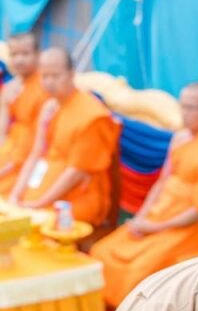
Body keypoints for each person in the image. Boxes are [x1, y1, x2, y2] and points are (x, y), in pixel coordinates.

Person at [91, 82, 198, 307]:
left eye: (192, 108)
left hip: (191, 227)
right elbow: (162, 182)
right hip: (160, 214)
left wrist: (154, 228)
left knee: (139, 269)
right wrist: (140, 219)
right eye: (182, 106)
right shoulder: (180, 139)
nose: (185, 114)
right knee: (102, 251)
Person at [9, 47, 119, 225]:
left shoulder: (92, 116)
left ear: (71, 74)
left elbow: (76, 172)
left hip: (77, 197)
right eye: (44, 76)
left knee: (33, 224)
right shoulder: (50, 107)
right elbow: (36, 154)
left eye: (55, 76)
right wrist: (16, 194)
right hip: (45, 182)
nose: (49, 82)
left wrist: (39, 204)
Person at [0, 32, 47, 196]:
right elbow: (2, 130)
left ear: (37, 54)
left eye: (25, 54)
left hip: (36, 151)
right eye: (14, 54)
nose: (19, 60)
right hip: (12, 147)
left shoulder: (46, 85)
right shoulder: (10, 87)